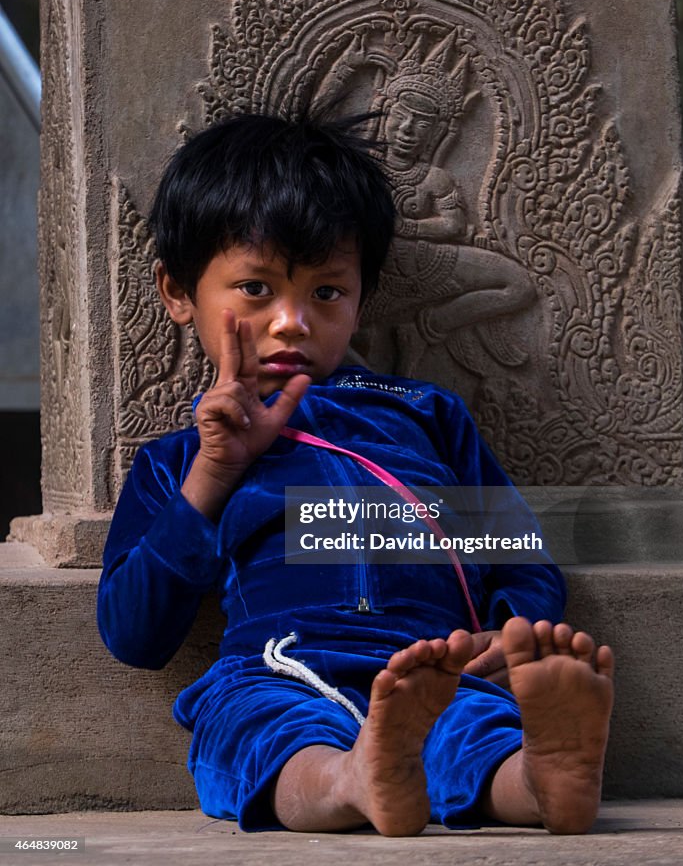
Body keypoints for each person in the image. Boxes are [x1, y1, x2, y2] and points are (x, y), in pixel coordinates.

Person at [97, 111, 614, 837]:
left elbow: (512, 545)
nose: (291, 322)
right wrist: (215, 474)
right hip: (282, 664)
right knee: (258, 731)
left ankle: (536, 783)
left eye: (326, 293)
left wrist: (514, 630)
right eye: (255, 289)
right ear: (179, 293)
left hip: (436, 664)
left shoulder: (421, 413)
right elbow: (134, 633)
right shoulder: (178, 462)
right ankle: (355, 779)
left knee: (474, 728)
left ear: (362, 297)